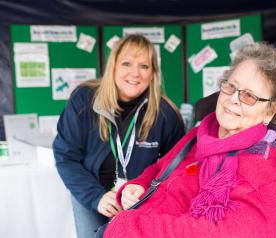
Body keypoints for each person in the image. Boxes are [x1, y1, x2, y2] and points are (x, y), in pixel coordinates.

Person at [102, 42, 276, 238]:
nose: (233, 99)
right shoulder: (198, 135)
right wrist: (137, 186)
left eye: (249, 96)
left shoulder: (268, 175)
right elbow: (159, 169)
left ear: (270, 112)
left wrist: (130, 227)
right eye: (231, 86)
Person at [53, 34, 185, 238]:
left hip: (139, 200)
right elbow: (66, 157)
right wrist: (96, 197)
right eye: (126, 63)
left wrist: (146, 192)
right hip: (92, 195)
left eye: (144, 66)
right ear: (113, 67)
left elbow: (177, 169)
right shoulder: (84, 100)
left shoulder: (165, 113)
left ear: (153, 73)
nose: (135, 73)